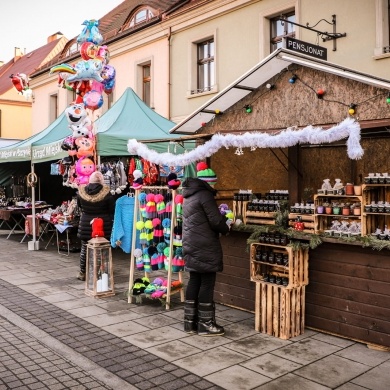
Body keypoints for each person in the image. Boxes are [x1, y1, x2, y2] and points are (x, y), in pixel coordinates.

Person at [182, 162, 230, 336]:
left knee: (195, 280)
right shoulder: (205, 195)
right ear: (208, 182)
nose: (215, 186)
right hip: (205, 246)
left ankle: (190, 323)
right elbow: (216, 221)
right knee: (207, 283)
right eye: (214, 183)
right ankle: (205, 323)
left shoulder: (188, 195)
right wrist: (227, 225)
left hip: (190, 244)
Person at [76, 171, 115, 281]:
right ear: (101, 181)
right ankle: (101, 273)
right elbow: (111, 209)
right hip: (103, 224)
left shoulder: (81, 193)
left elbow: (79, 206)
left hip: (85, 224)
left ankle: (82, 272)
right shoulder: (107, 194)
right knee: (102, 249)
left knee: (84, 248)